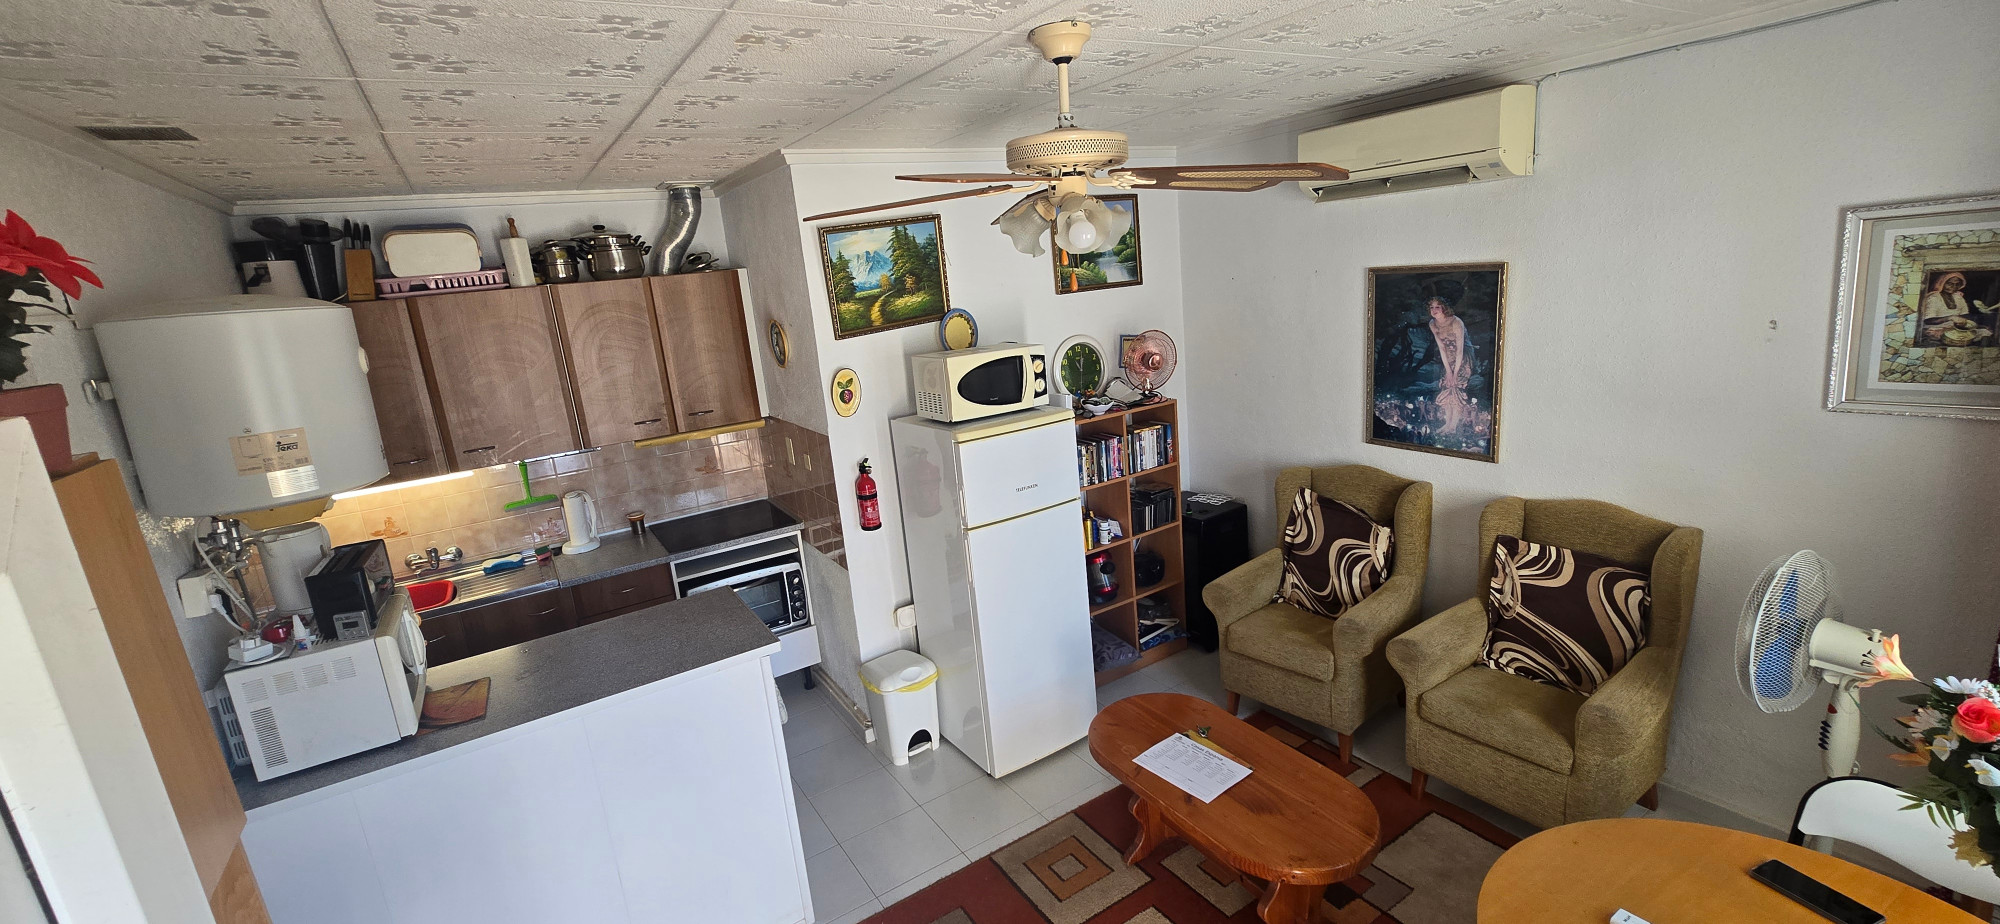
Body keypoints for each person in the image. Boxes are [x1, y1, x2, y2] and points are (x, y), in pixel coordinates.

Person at [1427, 295, 1473, 435]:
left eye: (1437, 307)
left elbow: (1460, 350)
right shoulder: (1432, 324)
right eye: (1431, 307)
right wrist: (1448, 371)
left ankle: (1453, 426)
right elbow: (1441, 348)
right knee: (1446, 389)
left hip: (1462, 359)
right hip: (1448, 359)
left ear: (1444, 308)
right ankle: (1447, 424)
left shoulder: (1456, 322)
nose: (1434, 310)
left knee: (1456, 389)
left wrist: (1455, 372)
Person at [1920, 272, 1992, 344]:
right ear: (1942, 283)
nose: (1954, 287)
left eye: (1957, 284)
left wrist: (1977, 326)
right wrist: (1950, 318)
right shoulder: (1933, 298)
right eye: (1950, 284)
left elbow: (1965, 316)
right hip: (1936, 329)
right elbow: (1928, 320)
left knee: (1985, 332)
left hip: (1956, 328)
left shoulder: (1958, 297)